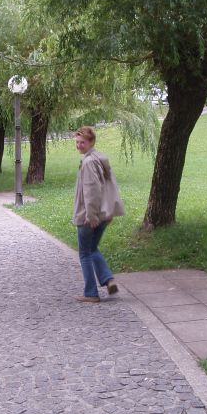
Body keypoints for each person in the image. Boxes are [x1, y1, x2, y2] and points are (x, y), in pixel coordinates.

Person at [72, 126, 125, 303]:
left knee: (85, 253)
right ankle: (108, 280)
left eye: (82, 142)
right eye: (77, 142)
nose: (79, 145)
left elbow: (91, 191)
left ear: (91, 142)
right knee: (92, 249)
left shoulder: (88, 163)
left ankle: (91, 293)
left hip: (90, 216)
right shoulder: (99, 159)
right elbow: (109, 187)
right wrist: (108, 212)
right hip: (104, 213)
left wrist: (91, 215)